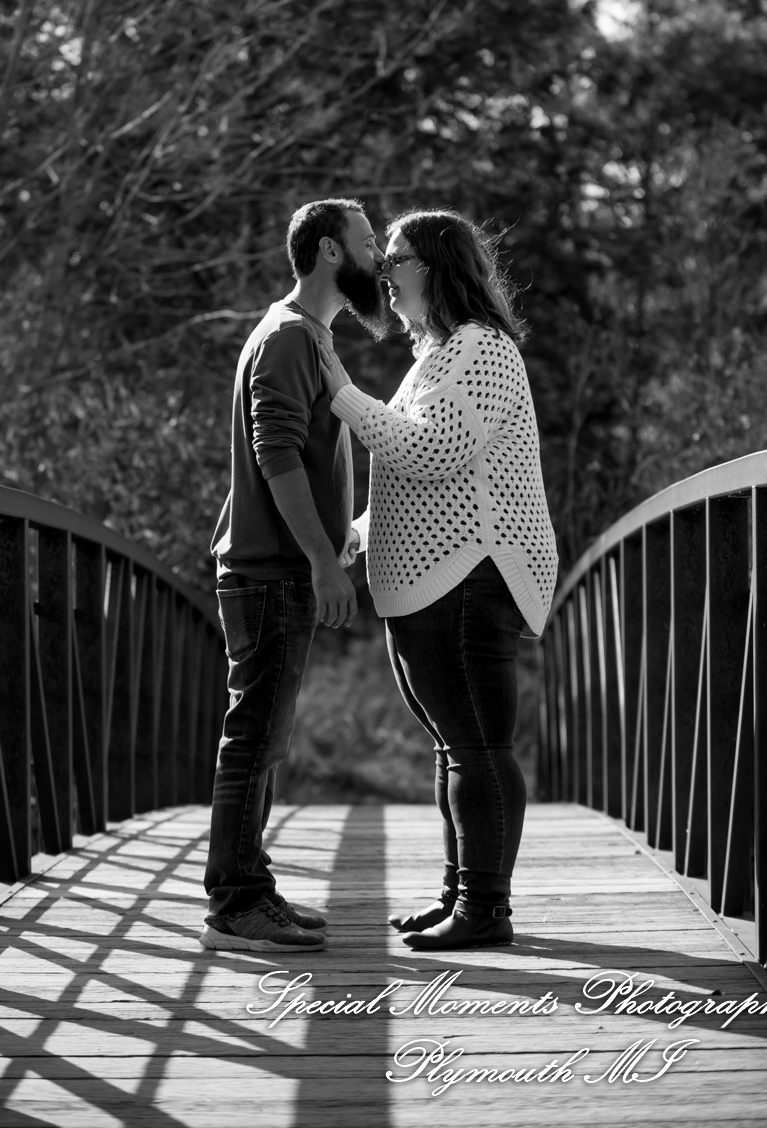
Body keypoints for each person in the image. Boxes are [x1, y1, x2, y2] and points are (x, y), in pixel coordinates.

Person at [319, 209, 558, 950]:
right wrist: (353, 534)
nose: (384, 278)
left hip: (470, 576)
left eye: (396, 262)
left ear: (438, 267)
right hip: (433, 579)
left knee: (478, 746)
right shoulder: (439, 354)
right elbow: (411, 475)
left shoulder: (483, 350)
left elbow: (434, 452)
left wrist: (341, 392)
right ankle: (461, 895)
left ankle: (485, 910)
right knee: (455, 745)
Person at [200, 198, 387, 954]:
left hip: (274, 568)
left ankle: (251, 887)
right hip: (272, 570)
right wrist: (320, 561)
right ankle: (237, 900)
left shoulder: (309, 335)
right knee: (254, 738)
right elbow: (275, 455)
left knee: (264, 737)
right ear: (330, 252)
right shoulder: (286, 338)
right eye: (369, 243)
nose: (379, 257)